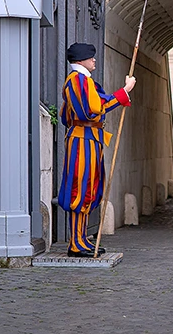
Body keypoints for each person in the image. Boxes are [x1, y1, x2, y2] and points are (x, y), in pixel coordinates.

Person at [57, 42, 136, 258]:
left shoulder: (84, 81)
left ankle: (81, 239)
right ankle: (75, 243)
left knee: (89, 190)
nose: (94, 60)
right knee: (79, 190)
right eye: (90, 57)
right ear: (81, 59)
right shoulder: (77, 81)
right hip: (82, 140)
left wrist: (119, 96)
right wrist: (124, 92)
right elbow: (91, 111)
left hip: (90, 139)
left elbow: (93, 105)